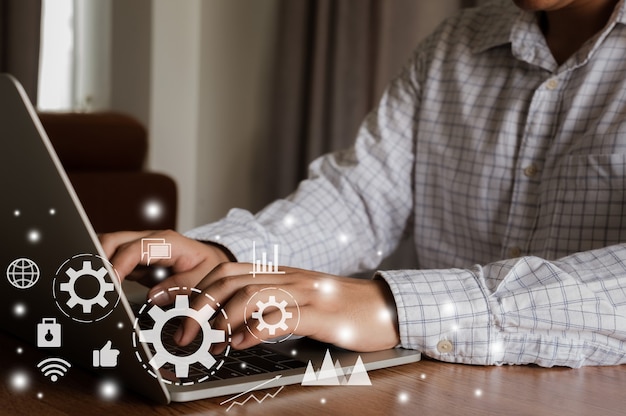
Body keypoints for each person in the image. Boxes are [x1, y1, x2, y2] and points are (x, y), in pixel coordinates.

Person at [101, 0, 626, 368]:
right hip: (436, 388)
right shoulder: (452, 45)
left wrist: (395, 307)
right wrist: (225, 253)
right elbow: (359, 201)